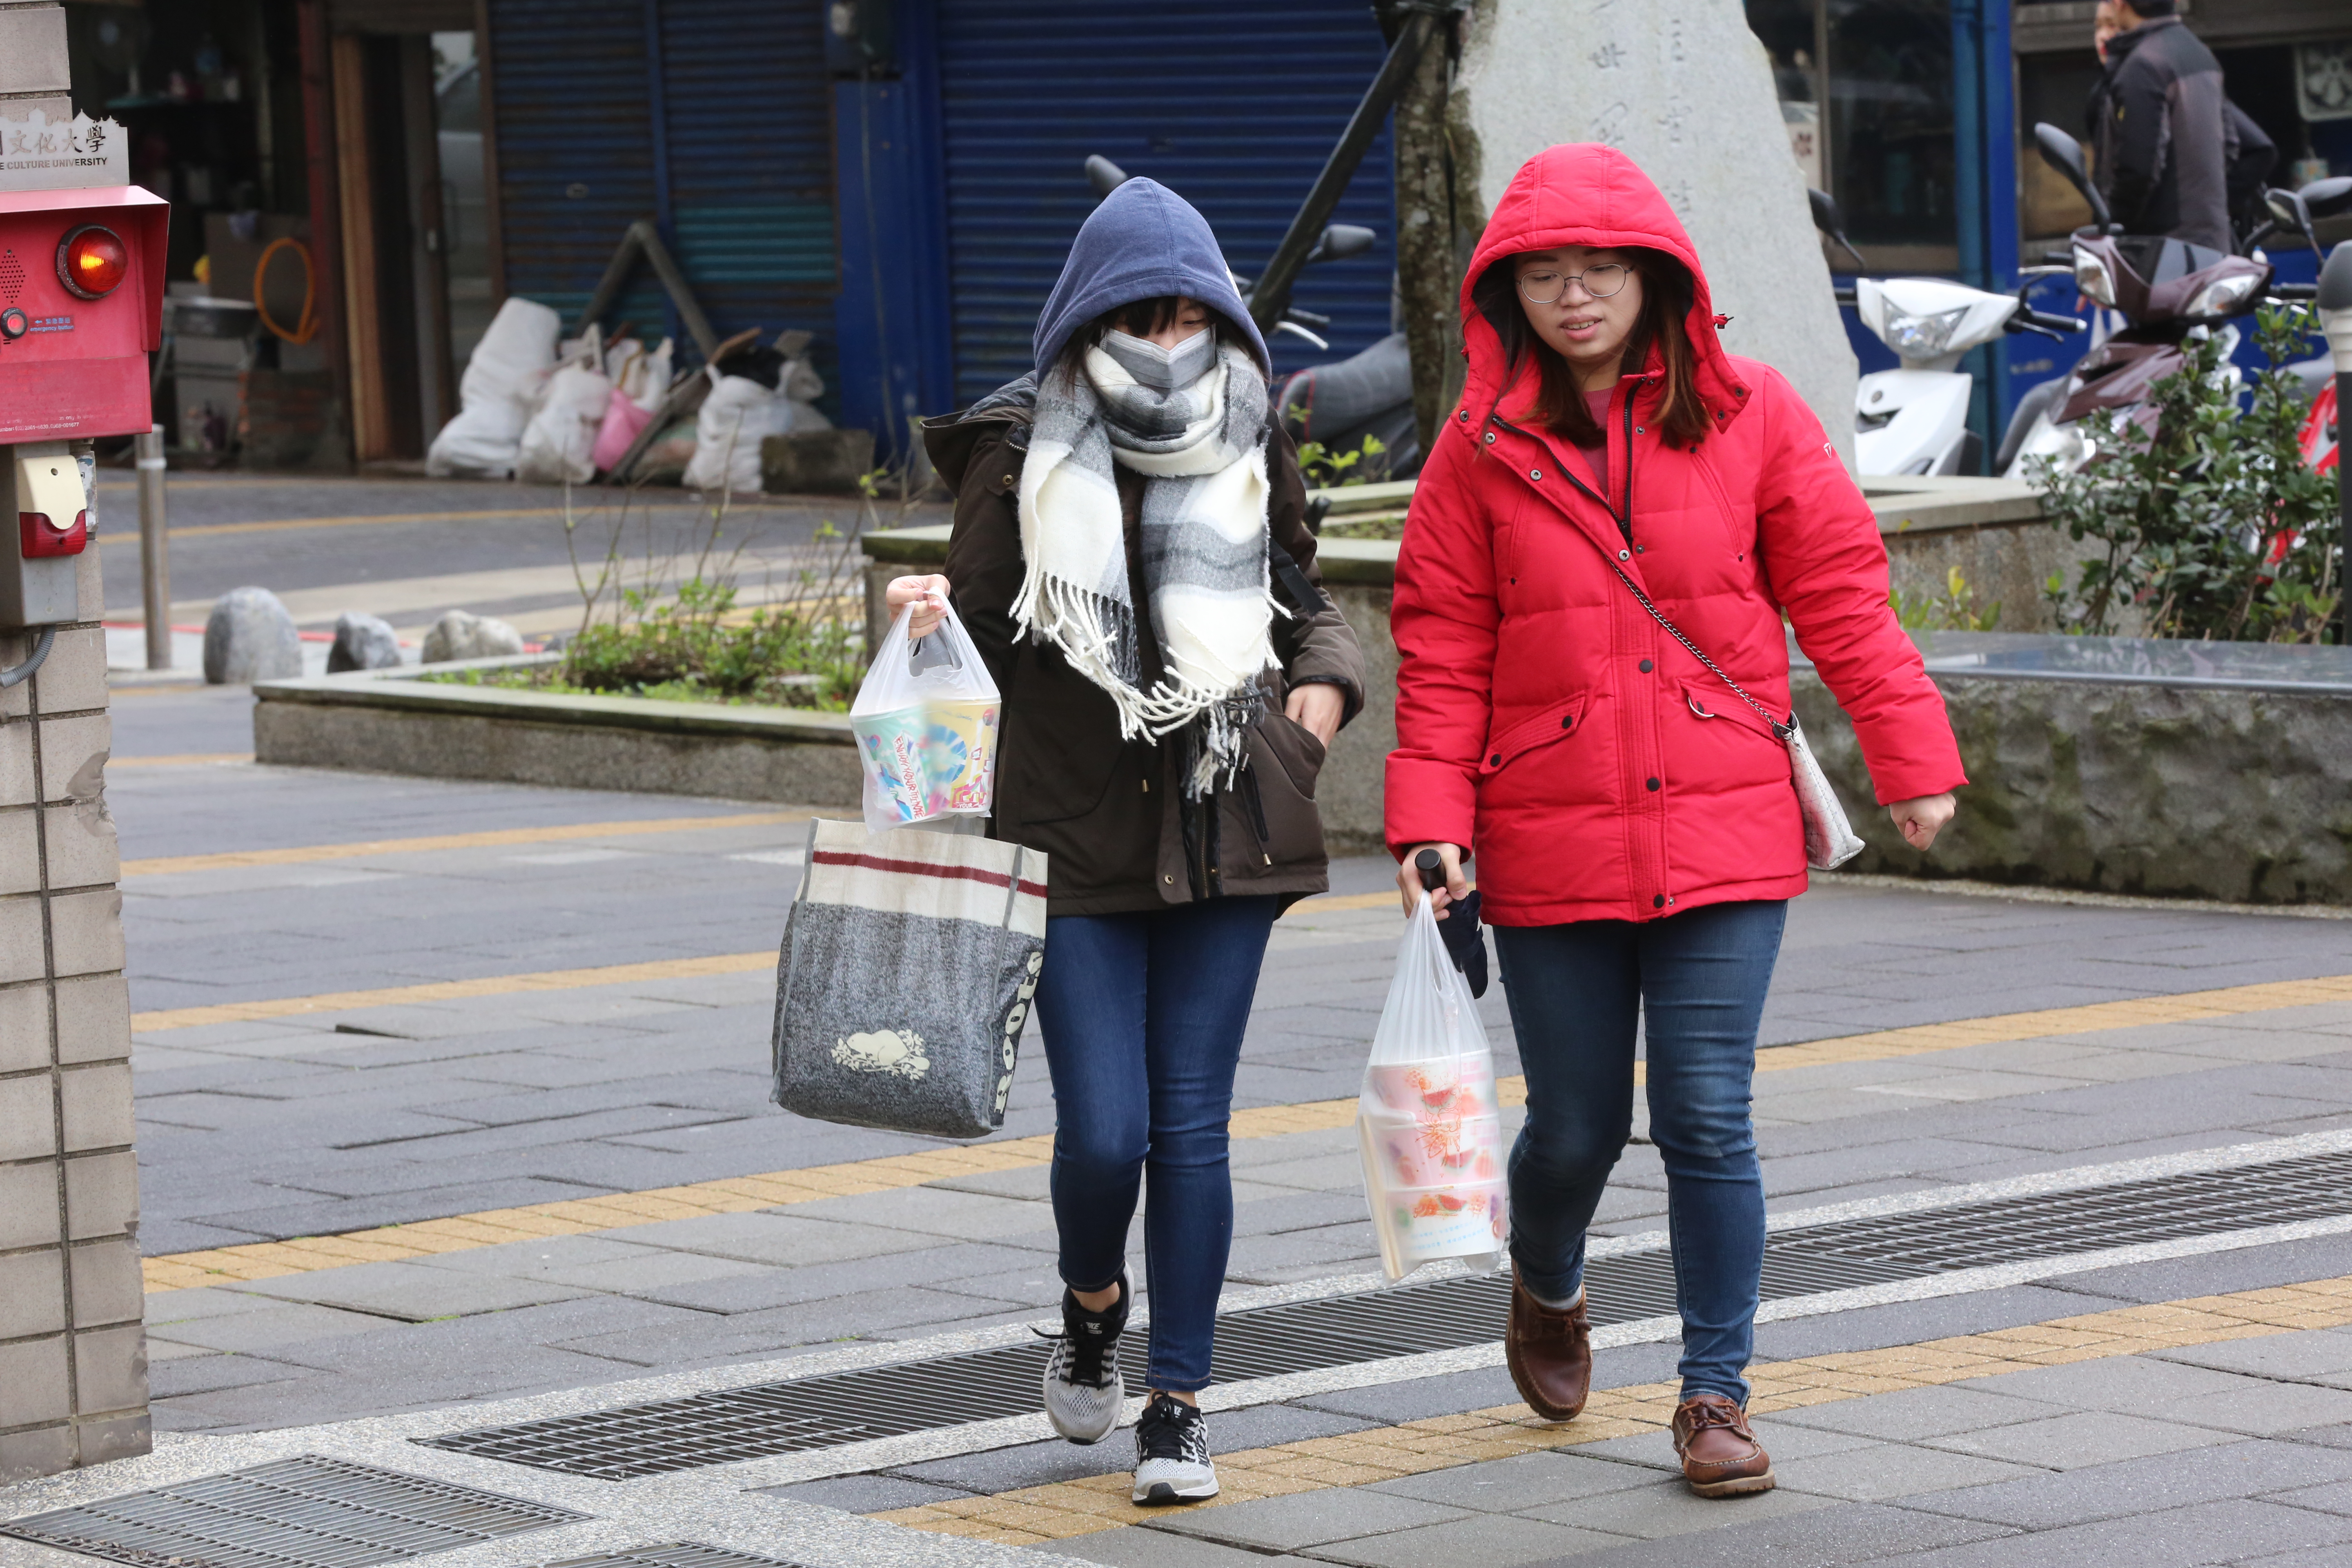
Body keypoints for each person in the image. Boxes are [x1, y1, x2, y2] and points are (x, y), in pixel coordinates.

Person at [1386, 143, 1964, 1499]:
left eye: (1598, 271)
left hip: (1723, 826)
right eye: (1542, 275)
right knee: (1576, 1127)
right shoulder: (1476, 453)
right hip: (1547, 829)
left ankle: (1716, 1397)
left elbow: (1842, 597)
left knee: (1707, 1115)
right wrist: (1429, 820)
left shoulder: (1754, 415)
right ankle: (1549, 1279)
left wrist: (1911, 755)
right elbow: (1443, 646)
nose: (1573, 297)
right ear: (1505, 292)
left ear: (1657, 280)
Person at [889, 177, 1365, 1507]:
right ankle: (1094, 1304)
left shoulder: (1248, 425)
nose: (1165, 337)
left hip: (1228, 826)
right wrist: (920, 615)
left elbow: (1299, 595)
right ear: (1084, 316)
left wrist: (1322, 695)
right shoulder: (1016, 445)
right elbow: (973, 633)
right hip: (1074, 833)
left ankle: (1180, 1408)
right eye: (1138, 313)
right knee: (1107, 1134)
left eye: (1188, 312)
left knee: (1195, 1130)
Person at [2086, 0, 2235, 251]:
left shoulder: (2142, 66)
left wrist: (2111, 231)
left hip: (2162, 257)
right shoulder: (2201, 54)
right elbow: (2230, 146)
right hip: (2214, 245)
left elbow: (2138, 170)